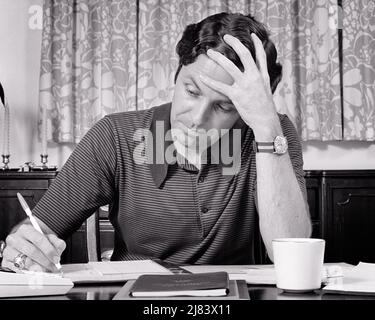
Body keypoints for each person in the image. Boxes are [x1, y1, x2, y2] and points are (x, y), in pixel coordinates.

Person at [1, 12, 311, 272]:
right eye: (191, 92)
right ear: (177, 75)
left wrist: (267, 126)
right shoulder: (115, 136)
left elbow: (289, 255)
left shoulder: (271, 134)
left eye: (225, 106)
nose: (197, 118)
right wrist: (24, 248)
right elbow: (38, 230)